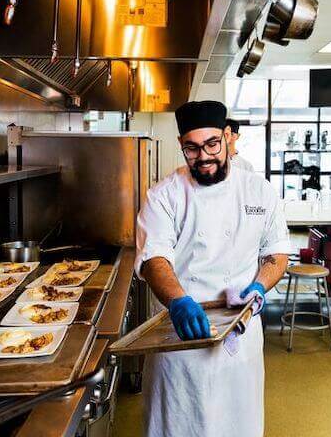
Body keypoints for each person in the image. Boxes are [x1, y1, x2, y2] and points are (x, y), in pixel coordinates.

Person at [135, 101, 291, 437]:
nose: (203, 157)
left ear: (227, 137)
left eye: (212, 145)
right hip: (181, 343)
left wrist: (260, 287)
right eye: (192, 148)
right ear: (181, 145)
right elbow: (154, 259)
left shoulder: (258, 190)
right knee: (179, 425)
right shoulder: (164, 196)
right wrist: (178, 300)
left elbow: (277, 253)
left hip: (241, 337)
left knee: (238, 426)